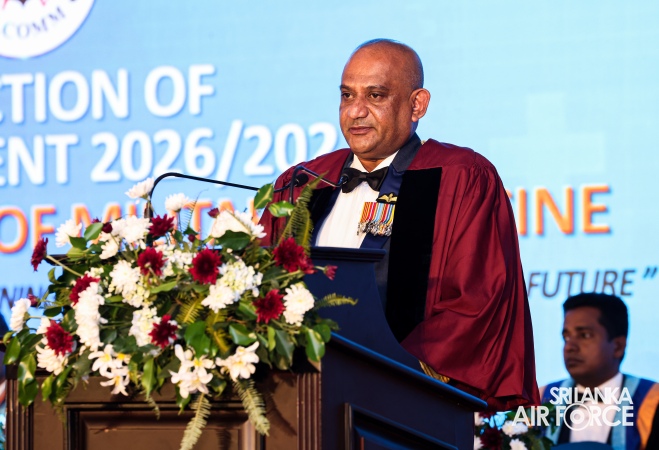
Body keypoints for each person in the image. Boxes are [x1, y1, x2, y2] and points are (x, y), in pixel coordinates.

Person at [259, 38, 539, 410]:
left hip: (400, 405)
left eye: (375, 96)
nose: (355, 111)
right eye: (346, 95)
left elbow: (476, 301)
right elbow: (259, 287)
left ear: (417, 104)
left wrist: (384, 374)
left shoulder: (459, 177)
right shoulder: (304, 182)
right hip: (300, 399)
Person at [540, 293, 659, 449]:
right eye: (566, 337)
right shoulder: (542, 399)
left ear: (618, 346)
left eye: (584, 335)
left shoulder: (652, 401)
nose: (569, 347)